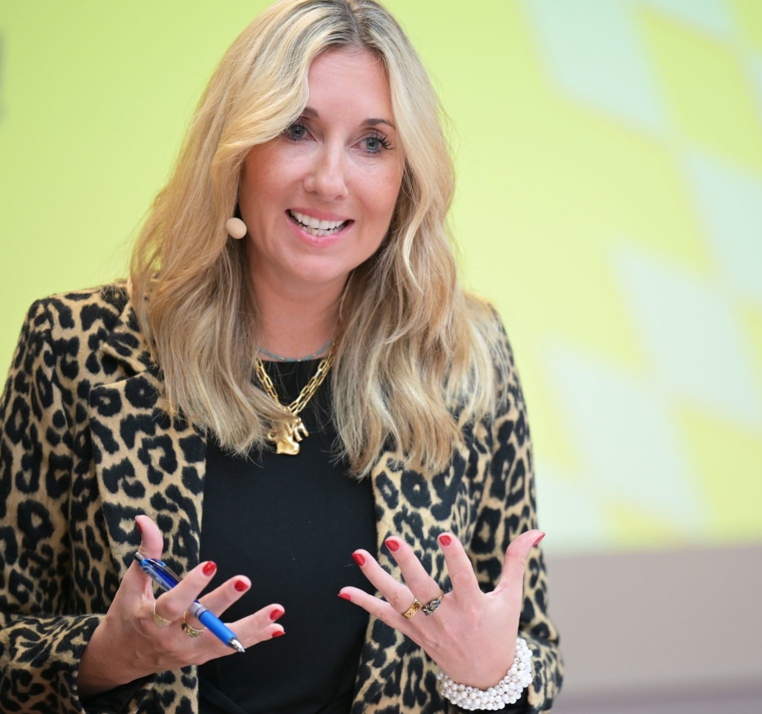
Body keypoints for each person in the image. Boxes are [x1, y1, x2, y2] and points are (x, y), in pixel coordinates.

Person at [0, 1, 562, 712]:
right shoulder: (80, 346)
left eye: (373, 143)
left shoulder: (462, 356)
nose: (330, 180)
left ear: (407, 177)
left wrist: (486, 673)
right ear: (233, 151)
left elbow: (533, 656)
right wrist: (108, 655)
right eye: (297, 129)